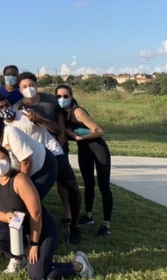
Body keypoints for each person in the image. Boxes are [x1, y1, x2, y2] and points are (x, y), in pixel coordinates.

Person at [0, 146, 95, 278]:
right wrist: (7, 217)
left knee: (38, 276)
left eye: (2, 158)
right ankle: (20, 260)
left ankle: (78, 265)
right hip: (19, 230)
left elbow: (36, 213)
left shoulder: (20, 179)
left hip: (41, 229)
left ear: (9, 159)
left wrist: (34, 244)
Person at [0, 95, 83, 244]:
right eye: (0, 107)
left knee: (72, 187)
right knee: (31, 198)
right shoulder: (3, 127)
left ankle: (74, 225)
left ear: (11, 104)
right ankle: (34, 232)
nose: (5, 109)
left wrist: (38, 120)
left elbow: (56, 128)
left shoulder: (25, 113)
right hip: (29, 163)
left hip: (50, 153)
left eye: (6, 104)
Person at [56, 84, 113, 237]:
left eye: (65, 96)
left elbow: (99, 131)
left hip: (97, 148)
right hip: (84, 150)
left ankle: (106, 224)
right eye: (59, 96)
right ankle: (88, 216)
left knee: (103, 185)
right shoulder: (62, 114)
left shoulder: (77, 111)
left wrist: (79, 137)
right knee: (88, 184)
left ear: (71, 96)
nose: (62, 99)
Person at [0, 109, 57, 201]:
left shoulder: (10, 132)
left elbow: (26, 162)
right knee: (15, 201)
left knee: (30, 201)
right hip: (17, 170)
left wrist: (20, 185)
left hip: (42, 166)